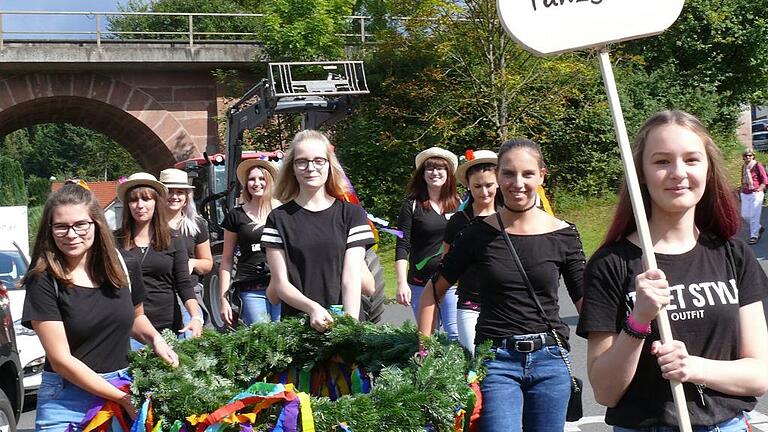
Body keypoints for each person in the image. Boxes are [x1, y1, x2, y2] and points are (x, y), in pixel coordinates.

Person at [577, 110, 768, 431]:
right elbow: (606, 392)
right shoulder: (611, 264)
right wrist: (638, 321)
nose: (678, 172)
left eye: (691, 159)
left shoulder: (733, 255)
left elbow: (760, 375)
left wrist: (692, 368)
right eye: (662, 161)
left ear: (708, 169)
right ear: (642, 173)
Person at [418, 138, 584, 431]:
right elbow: (433, 290)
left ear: (542, 176)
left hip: (550, 359)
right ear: (499, 177)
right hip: (496, 361)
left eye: (527, 174)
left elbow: (588, 305)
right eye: (508, 174)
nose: (517, 183)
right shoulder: (477, 233)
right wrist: (425, 351)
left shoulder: (564, 234)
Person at [21, 182, 178, 431]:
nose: (71, 234)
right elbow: (61, 360)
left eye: (80, 224)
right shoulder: (43, 279)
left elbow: (137, 318)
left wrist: (156, 339)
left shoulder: (125, 265)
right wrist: (122, 399)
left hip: (123, 385)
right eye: (61, 227)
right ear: (49, 230)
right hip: (67, 399)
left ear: (97, 224)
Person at [262, 130, 375, 332]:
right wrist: (312, 308)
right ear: (292, 169)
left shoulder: (352, 214)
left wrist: (348, 328)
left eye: (319, 161)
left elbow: (351, 276)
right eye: (302, 162)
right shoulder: (278, 219)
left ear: (329, 165)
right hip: (298, 328)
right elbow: (280, 284)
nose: (310, 168)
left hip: (344, 320)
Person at [115, 172, 203, 345]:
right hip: (128, 330)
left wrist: (195, 316)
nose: (140, 205)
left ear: (156, 202)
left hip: (168, 327)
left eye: (146, 199)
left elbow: (184, 284)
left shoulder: (174, 239)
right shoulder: (114, 241)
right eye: (134, 200)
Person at [395, 146, 460, 340]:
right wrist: (401, 283)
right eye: (429, 168)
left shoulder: (459, 203)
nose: (435, 173)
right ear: (422, 174)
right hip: (420, 283)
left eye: (441, 168)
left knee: (455, 335)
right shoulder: (411, 205)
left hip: (451, 283)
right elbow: (402, 245)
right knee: (427, 339)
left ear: (448, 174)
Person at [440, 149, 500, 354]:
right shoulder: (458, 221)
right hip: (470, 303)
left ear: (498, 182)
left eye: (489, 185)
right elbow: (446, 263)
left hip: (505, 305)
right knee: (475, 362)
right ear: (468, 186)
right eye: (478, 186)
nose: (484, 192)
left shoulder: (509, 217)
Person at [219, 159, 281, 326]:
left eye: (262, 179)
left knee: (284, 337)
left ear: (270, 181)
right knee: (260, 339)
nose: (256, 183)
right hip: (251, 287)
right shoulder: (236, 215)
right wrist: (223, 298)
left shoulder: (283, 213)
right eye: (252, 179)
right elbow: (226, 259)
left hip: (282, 286)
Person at [159, 168, 213, 333]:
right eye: (170, 191)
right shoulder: (150, 227)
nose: (174, 196)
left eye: (180, 192)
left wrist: (192, 263)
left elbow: (208, 263)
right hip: (160, 295)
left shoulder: (197, 225)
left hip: (190, 292)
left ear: (186, 197)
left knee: (189, 344)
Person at [739, 148, 767, 244]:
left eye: (750, 155)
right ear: (743, 157)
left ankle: (754, 236)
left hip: (756, 193)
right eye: (746, 155)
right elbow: (742, 179)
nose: (748, 157)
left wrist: (760, 188)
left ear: (753, 156)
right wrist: (742, 188)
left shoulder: (757, 165)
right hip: (745, 193)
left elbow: (764, 179)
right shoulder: (744, 167)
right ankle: (759, 228)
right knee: (745, 215)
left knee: (754, 215)